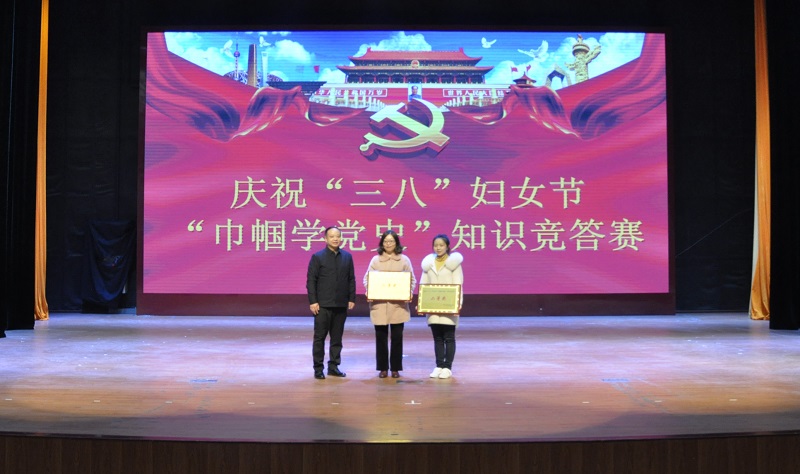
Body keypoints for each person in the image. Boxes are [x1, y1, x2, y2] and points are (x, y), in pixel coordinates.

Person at [363, 230, 416, 378]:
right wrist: (370, 290)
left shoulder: (404, 260)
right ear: (382, 243)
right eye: (386, 241)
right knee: (381, 338)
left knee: (397, 338)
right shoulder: (376, 260)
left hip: (398, 306)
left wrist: (408, 292)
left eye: (391, 241)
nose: (388, 244)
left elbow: (411, 279)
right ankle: (383, 368)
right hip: (379, 305)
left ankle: (395, 368)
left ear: (396, 243)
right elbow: (367, 279)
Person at [306, 226, 356, 380]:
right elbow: (311, 281)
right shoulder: (318, 257)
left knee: (337, 339)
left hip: (341, 304)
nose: (335, 239)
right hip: (322, 305)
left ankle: (333, 367)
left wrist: (351, 298)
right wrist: (313, 301)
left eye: (338, 236)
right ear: (325, 239)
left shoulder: (347, 257)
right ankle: (318, 368)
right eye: (332, 236)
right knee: (319, 338)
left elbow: (351, 279)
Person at [419, 234, 463, 379]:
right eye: (436, 245)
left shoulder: (453, 264)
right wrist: (421, 304)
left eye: (441, 245)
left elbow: (458, 284)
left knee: (449, 337)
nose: (438, 248)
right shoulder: (428, 264)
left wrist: (457, 305)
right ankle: (439, 365)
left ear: (447, 246)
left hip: (449, 306)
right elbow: (423, 285)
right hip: (432, 306)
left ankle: (447, 367)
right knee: (437, 338)